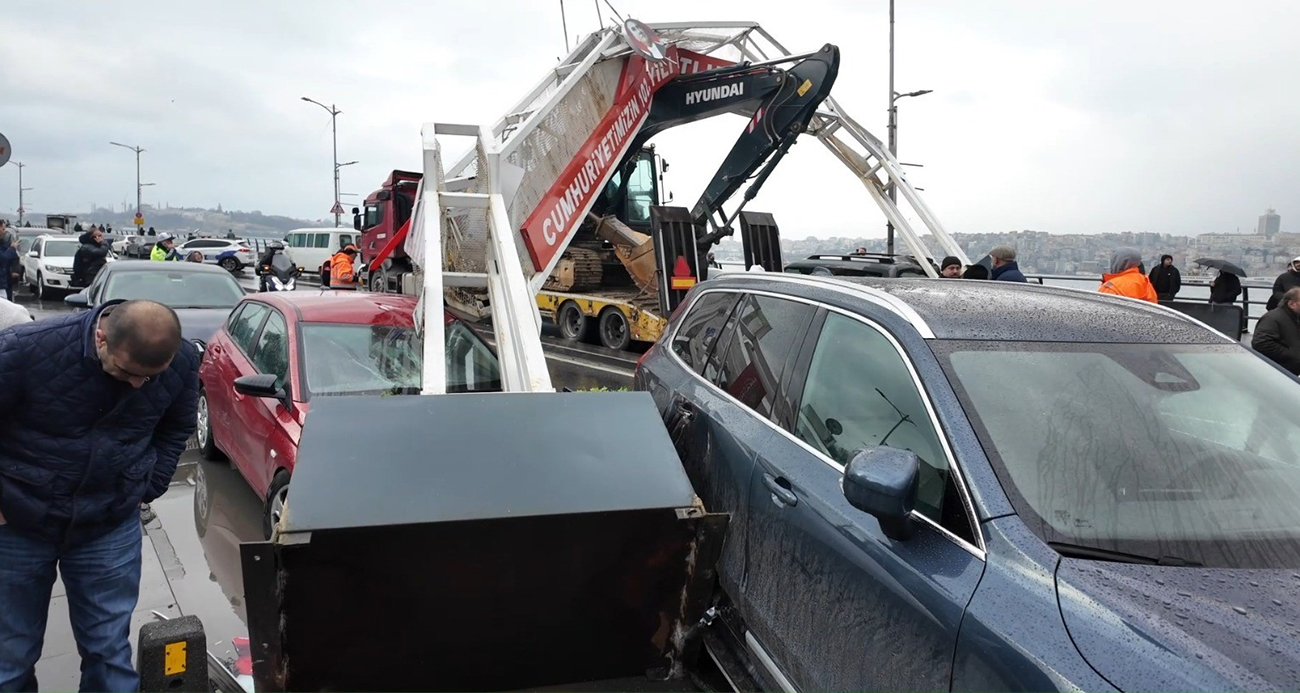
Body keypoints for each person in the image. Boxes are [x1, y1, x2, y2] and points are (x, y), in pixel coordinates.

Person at [0, 300, 198, 691]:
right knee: (10, 655)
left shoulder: (183, 361)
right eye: (127, 372)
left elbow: (177, 427)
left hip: (108, 524)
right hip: (19, 522)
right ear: (100, 337)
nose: (138, 385)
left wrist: (147, 487)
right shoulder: (25, 349)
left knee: (108, 651)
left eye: (150, 377)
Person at [1252, 287, 1300, 375]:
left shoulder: (1294, 317)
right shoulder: (1272, 318)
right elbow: (1261, 343)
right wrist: (1294, 354)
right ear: (1291, 304)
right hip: (1279, 371)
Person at [0, 236, 17, 301]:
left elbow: (15, 259)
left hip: (5, 280)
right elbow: (3, 259)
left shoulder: (4, 242)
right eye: (3, 229)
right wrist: (12, 249)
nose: (4, 232)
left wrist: (15, 270)